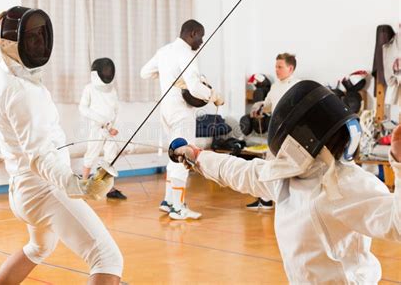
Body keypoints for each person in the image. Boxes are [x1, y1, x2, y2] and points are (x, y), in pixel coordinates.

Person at [171, 80, 401, 284]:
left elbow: (397, 225)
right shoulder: (285, 177)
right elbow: (239, 171)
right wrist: (198, 157)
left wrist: (400, 166)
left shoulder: (348, 184)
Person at [0, 7, 122, 284]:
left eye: (39, 36)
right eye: (30, 38)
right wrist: (77, 184)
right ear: (14, 44)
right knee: (107, 258)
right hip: (42, 190)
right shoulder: (23, 93)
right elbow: (41, 156)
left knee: (39, 247)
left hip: (21, 190)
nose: (38, 43)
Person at [140, 19, 223, 220]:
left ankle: (169, 201)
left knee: (173, 154)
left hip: (166, 109)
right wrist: (213, 95)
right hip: (181, 110)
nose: (201, 42)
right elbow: (194, 88)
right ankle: (178, 207)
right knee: (184, 156)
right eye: (200, 37)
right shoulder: (187, 53)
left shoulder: (164, 51)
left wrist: (168, 77)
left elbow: (145, 73)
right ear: (193, 33)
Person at [247, 52, 300, 210]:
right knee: (269, 164)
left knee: (290, 167)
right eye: (275, 66)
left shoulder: (298, 86)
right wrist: (260, 107)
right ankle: (265, 199)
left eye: (280, 66)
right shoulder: (276, 86)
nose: (276, 70)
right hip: (275, 130)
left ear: (290, 68)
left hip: (291, 133)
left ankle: (292, 202)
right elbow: (269, 104)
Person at [79, 57, 126, 200]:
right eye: (105, 70)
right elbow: (82, 108)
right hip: (96, 128)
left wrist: (114, 127)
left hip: (110, 130)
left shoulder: (112, 90)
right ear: (96, 73)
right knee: (91, 154)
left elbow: (117, 110)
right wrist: (102, 121)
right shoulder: (89, 88)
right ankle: (83, 183)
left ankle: (109, 188)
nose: (107, 72)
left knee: (110, 157)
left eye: (109, 70)